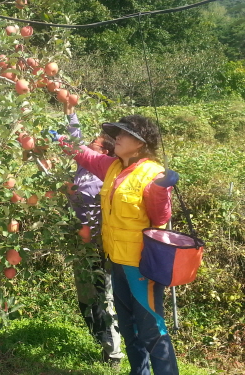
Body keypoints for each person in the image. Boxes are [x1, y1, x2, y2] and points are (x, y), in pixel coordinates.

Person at [55, 105, 180, 375]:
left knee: (152, 330)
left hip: (140, 265)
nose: (117, 138)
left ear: (139, 144)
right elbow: (83, 154)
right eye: (118, 133)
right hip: (116, 260)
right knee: (128, 328)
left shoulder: (151, 173)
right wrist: (60, 139)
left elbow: (160, 218)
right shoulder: (112, 167)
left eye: (124, 134)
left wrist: (160, 189)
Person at [58, 103, 124, 366]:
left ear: (104, 152)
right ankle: (100, 340)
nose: (87, 147)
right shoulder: (85, 167)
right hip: (81, 243)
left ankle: (114, 352)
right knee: (85, 295)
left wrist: (69, 188)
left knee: (103, 295)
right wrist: (69, 112)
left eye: (93, 145)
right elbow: (76, 142)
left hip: (98, 243)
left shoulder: (104, 173)